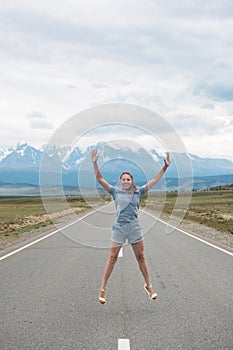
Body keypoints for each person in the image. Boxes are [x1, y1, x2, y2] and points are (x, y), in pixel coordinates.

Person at [91, 149, 170, 304]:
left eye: (128, 179)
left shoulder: (139, 192)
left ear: (132, 181)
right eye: (123, 179)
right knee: (112, 258)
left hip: (134, 228)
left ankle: (149, 286)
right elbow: (99, 178)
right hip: (119, 228)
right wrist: (94, 163)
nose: (126, 181)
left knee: (141, 258)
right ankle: (103, 289)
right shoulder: (115, 191)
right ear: (120, 181)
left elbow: (155, 179)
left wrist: (165, 167)